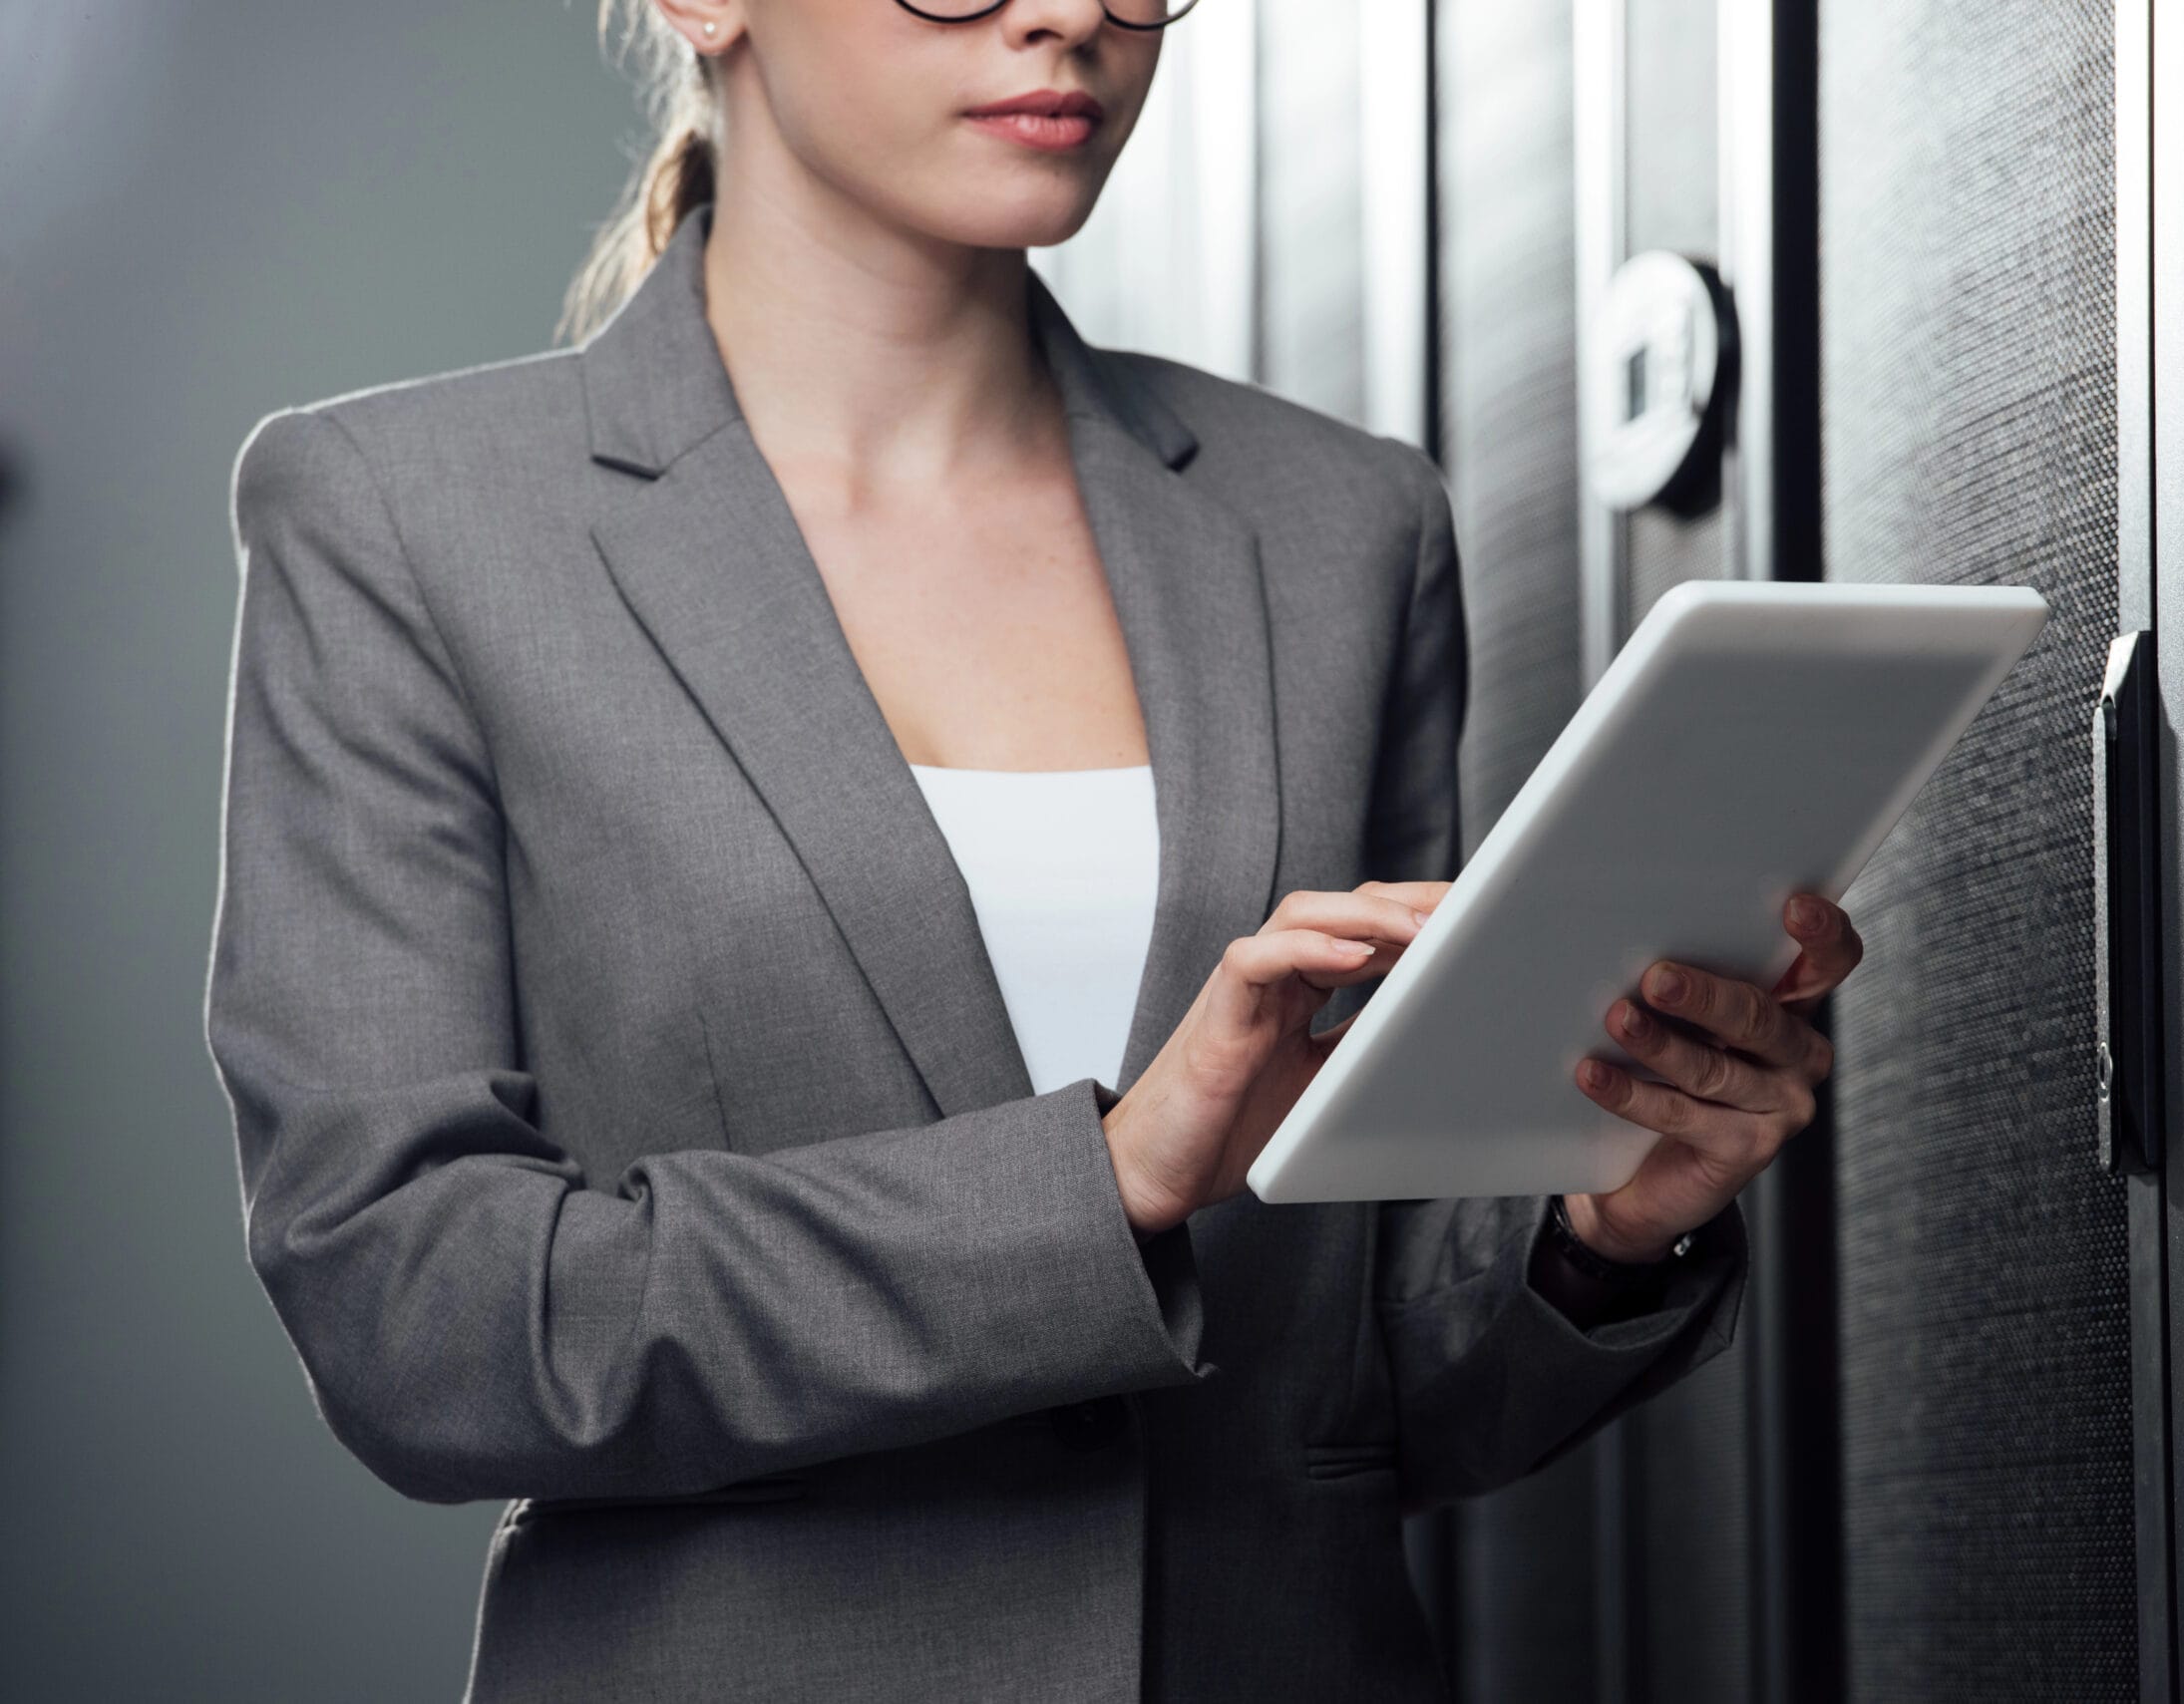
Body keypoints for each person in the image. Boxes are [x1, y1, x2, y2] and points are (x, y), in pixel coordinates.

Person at [203, 0, 1864, 1697]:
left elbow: (1352, 1396)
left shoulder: (1340, 527)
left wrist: (1599, 1234)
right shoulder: (401, 519)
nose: (1072, 12)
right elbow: (419, 1314)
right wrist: (1107, 1185)